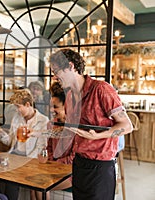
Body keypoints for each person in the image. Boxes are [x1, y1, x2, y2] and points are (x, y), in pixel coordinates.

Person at [49, 49, 133, 200]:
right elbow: (72, 132)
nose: (54, 76)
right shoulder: (69, 96)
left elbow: (127, 125)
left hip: (101, 167)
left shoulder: (101, 89)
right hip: (79, 164)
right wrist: (42, 132)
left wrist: (98, 136)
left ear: (70, 66)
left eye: (56, 71)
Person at [0, 88, 49, 200]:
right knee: (7, 185)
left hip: (32, 160)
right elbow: (10, 141)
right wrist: (0, 133)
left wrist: (26, 162)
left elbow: (41, 146)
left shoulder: (43, 120)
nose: (17, 110)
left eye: (18, 107)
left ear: (27, 104)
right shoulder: (17, 118)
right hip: (15, 157)